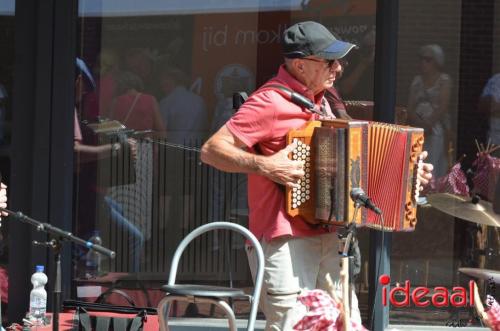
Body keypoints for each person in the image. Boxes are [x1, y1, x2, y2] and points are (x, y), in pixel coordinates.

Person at [201, 21, 433, 330]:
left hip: (330, 236)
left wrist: (407, 174)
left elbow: (355, 163)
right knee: (291, 326)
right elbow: (212, 150)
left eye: (339, 60)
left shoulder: (325, 101)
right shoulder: (268, 101)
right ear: (299, 65)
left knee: (344, 325)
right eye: (329, 61)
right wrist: (266, 166)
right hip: (285, 240)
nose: (338, 67)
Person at [407, 44, 452, 178]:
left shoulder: (444, 80)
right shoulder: (417, 81)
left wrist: (429, 124)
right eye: (421, 59)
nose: (423, 62)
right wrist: (420, 125)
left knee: (434, 164)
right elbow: (410, 106)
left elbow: (443, 106)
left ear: (437, 61)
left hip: (436, 128)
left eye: (427, 59)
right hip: (418, 127)